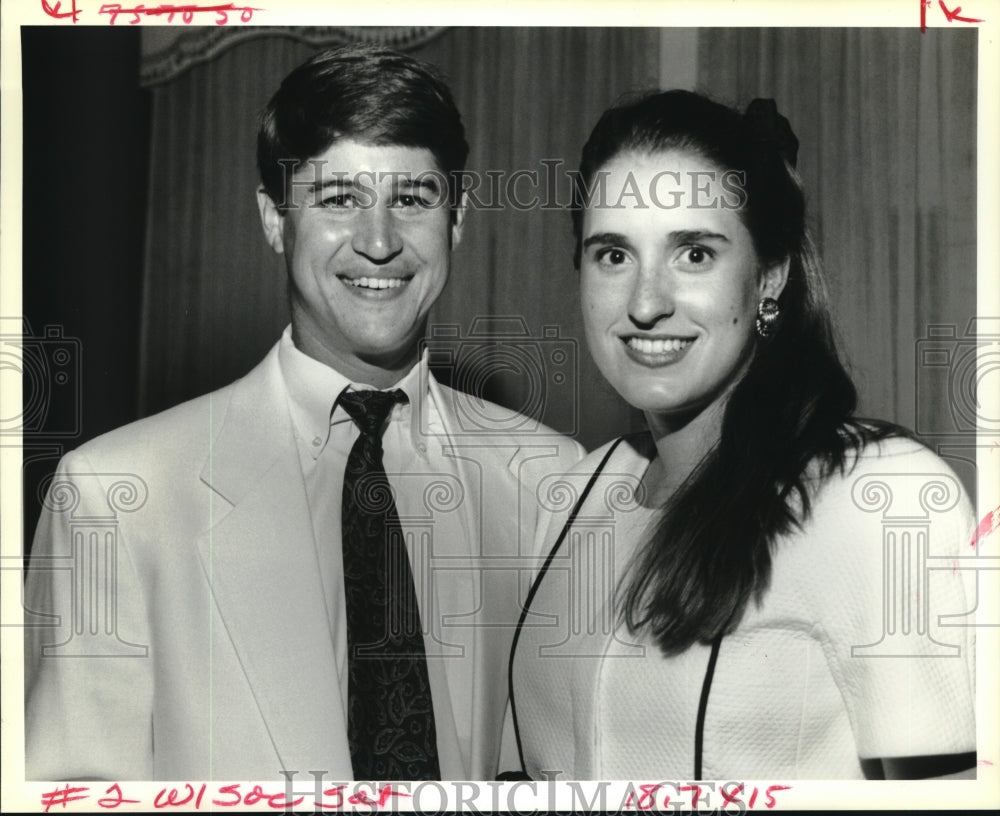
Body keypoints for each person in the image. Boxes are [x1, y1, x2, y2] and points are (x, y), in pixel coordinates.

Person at [24, 43, 583, 782]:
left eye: (412, 199)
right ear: (274, 219)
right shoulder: (114, 495)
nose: (379, 242)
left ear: (457, 222)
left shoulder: (553, 483)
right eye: (339, 198)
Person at [508, 90, 977, 781]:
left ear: (771, 276)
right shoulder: (566, 498)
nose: (645, 302)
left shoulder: (878, 498)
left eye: (694, 253)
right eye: (612, 255)